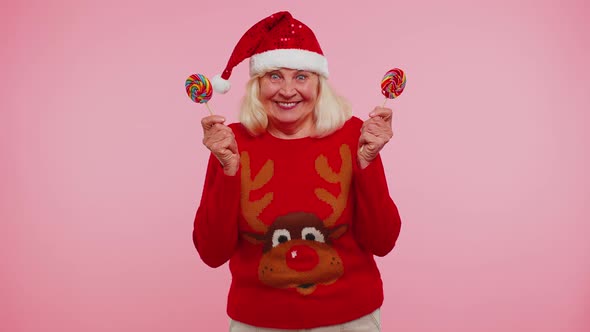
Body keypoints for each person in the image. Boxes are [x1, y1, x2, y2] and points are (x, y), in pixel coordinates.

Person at [193, 11, 402, 332]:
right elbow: (211, 253)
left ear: (319, 84)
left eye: (301, 77)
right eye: (274, 76)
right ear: (257, 85)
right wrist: (228, 170)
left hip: (350, 320)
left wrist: (367, 163)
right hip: (258, 321)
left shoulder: (355, 136)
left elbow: (383, 241)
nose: (287, 90)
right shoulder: (230, 142)